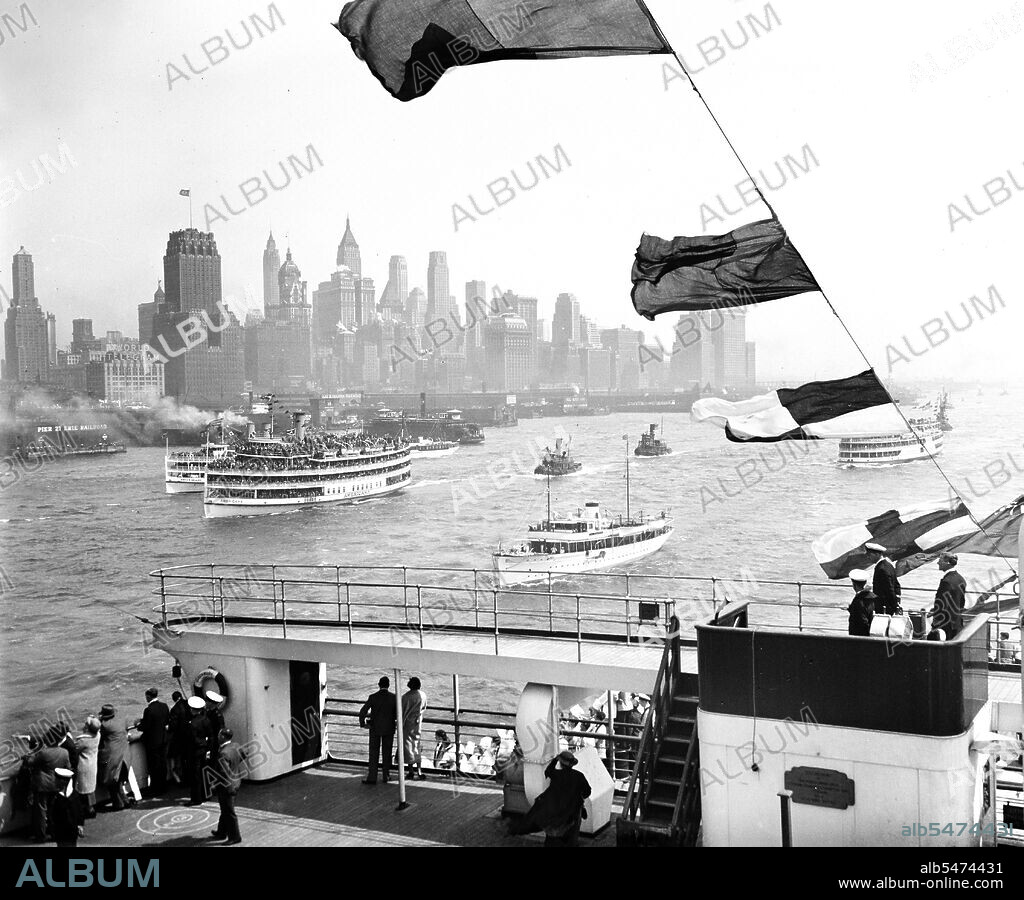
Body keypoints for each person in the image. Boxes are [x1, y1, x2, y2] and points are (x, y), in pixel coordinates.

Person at [510, 750, 592, 847]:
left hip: (556, 813)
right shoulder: (579, 776)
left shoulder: (556, 775)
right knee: (571, 839)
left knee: (553, 839)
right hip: (573, 813)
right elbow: (587, 791)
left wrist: (554, 760)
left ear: (560, 763)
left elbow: (548, 771)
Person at [26, 734, 70, 841]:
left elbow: (30, 762)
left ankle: (41, 836)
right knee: (53, 810)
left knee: (41, 811)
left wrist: (34, 750)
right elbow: (68, 767)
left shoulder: (43, 753)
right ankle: (54, 833)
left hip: (43, 785)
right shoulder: (64, 752)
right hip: (57, 784)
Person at [210, 729, 247, 846]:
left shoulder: (223, 753)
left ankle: (235, 837)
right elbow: (244, 754)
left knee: (229, 811)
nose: (217, 736)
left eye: (219, 734)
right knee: (225, 809)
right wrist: (234, 766)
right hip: (236, 781)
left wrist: (214, 784)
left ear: (222, 737)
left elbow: (223, 774)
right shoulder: (235, 745)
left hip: (227, 786)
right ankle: (221, 831)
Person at [359, 676, 397, 785]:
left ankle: (372, 777)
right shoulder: (393, 698)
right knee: (387, 753)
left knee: (374, 753)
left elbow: (362, 712)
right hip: (389, 728)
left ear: (379, 685)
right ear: (388, 685)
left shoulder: (373, 697)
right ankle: (386, 775)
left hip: (375, 728)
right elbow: (398, 714)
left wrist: (363, 724)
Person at [133, 688, 170, 795]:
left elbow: (146, 726)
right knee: (162, 765)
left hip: (153, 743)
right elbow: (165, 720)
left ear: (148, 696)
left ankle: (155, 789)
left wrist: (138, 725)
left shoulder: (148, 710)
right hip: (163, 740)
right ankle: (163, 787)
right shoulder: (164, 706)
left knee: (154, 766)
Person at [96, 704, 129, 812]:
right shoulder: (122, 720)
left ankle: (118, 803)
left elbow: (98, 731)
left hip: (112, 756)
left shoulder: (104, 725)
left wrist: (99, 719)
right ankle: (125, 800)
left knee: (111, 781)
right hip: (124, 754)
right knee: (118, 780)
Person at [929, 552, 967, 639]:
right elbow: (961, 602)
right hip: (957, 622)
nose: (938, 563)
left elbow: (941, 604)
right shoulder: (961, 579)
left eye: (940, 560)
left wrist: (936, 622)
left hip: (946, 625)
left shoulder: (947, 581)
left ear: (947, 562)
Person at [185, 696, 213, 805]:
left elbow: (191, 739)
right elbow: (211, 736)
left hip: (194, 752)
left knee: (195, 775)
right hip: (204, 750)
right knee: (204, 772)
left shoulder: (192, 724)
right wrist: (208, 748)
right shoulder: (206, 720)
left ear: (192, 709)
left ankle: (196, 799)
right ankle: (207, 795)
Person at [50, 768, 85, 849]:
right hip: (70, 831)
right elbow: (80, 811)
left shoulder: (57, 797)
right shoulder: (74, 795)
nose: (55, 781)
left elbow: (53, 815)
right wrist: (80, 824)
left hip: (63, 831)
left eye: (57, 779)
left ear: (63, 782)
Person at [73, 716, 101, 819]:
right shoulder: (97, 735)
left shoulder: (83, 740)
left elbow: (75, 750)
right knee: (90, 788)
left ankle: (88, 810)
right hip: (92, 764)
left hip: (84, 766)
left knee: (83, 789)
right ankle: (91, 808)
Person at [401, 677, 427, 780]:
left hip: (407, 724)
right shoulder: (423, 695)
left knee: (408, 748)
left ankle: (411, 771)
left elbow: (401, 711)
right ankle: (419, 771)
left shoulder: (406, 697)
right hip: (418, 723)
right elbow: (424, 707)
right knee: (417, 746)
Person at [867, 543, 901, 616]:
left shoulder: (881, 569)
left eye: (869, 555)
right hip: (888, 606)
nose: (868, 557)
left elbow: (889, 589)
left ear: (877, 554)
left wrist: (894, 607)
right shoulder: (888, 565)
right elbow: (897, 586)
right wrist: (897, 603)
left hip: (884, 608)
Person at [166, 690, 190, 786]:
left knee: (180, 759)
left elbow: (174, 726)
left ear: (174, 699)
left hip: (180, 738)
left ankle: (181, 779)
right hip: (190, 736)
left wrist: (169, 727)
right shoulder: (189, 704)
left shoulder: (175, 709)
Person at [847, 570, 876, 636]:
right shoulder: (872, 596)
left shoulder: (858, 600)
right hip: (871, 633)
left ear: (854, 585)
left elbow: (862, 620)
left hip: (859, 636)